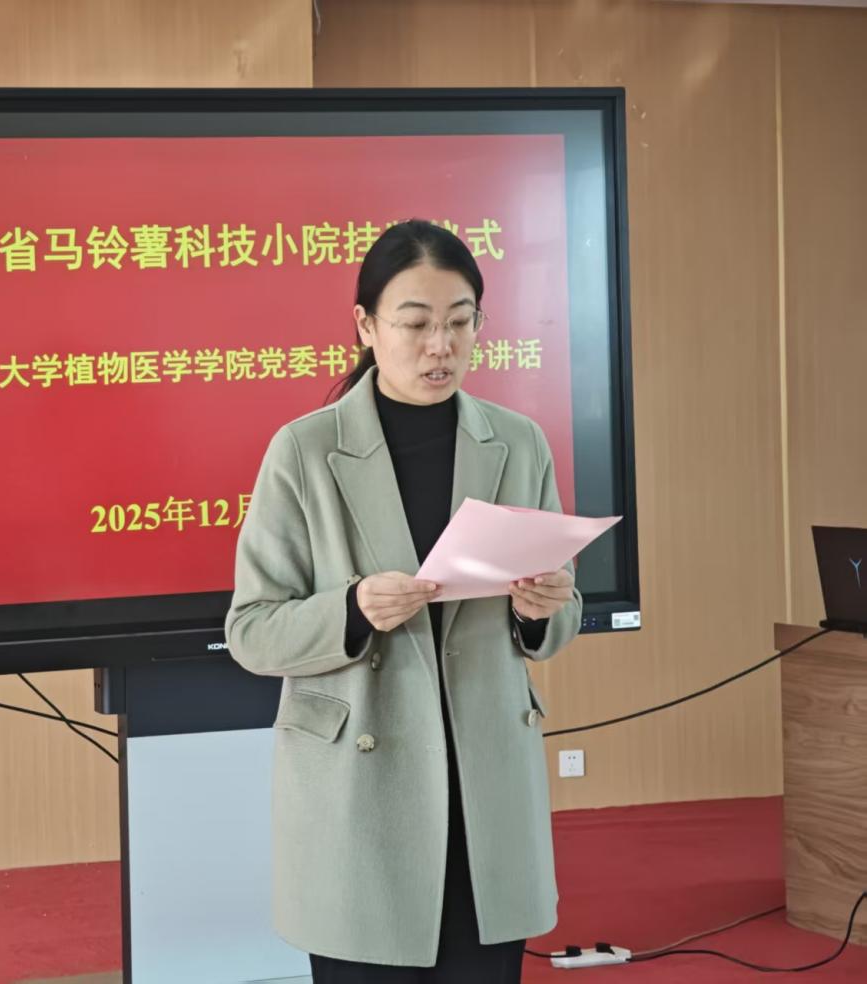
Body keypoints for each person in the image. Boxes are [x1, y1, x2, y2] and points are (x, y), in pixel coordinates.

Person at [225, 220, 582, 982]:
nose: (439, 346)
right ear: (365, 325)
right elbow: (252, 630)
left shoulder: (517, 443)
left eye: (460, 322)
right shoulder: (304, 450)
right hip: (364, 792)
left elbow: (560, 615)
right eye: (415, 324)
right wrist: (352, 609)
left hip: (484, 785)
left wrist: (540, 609)